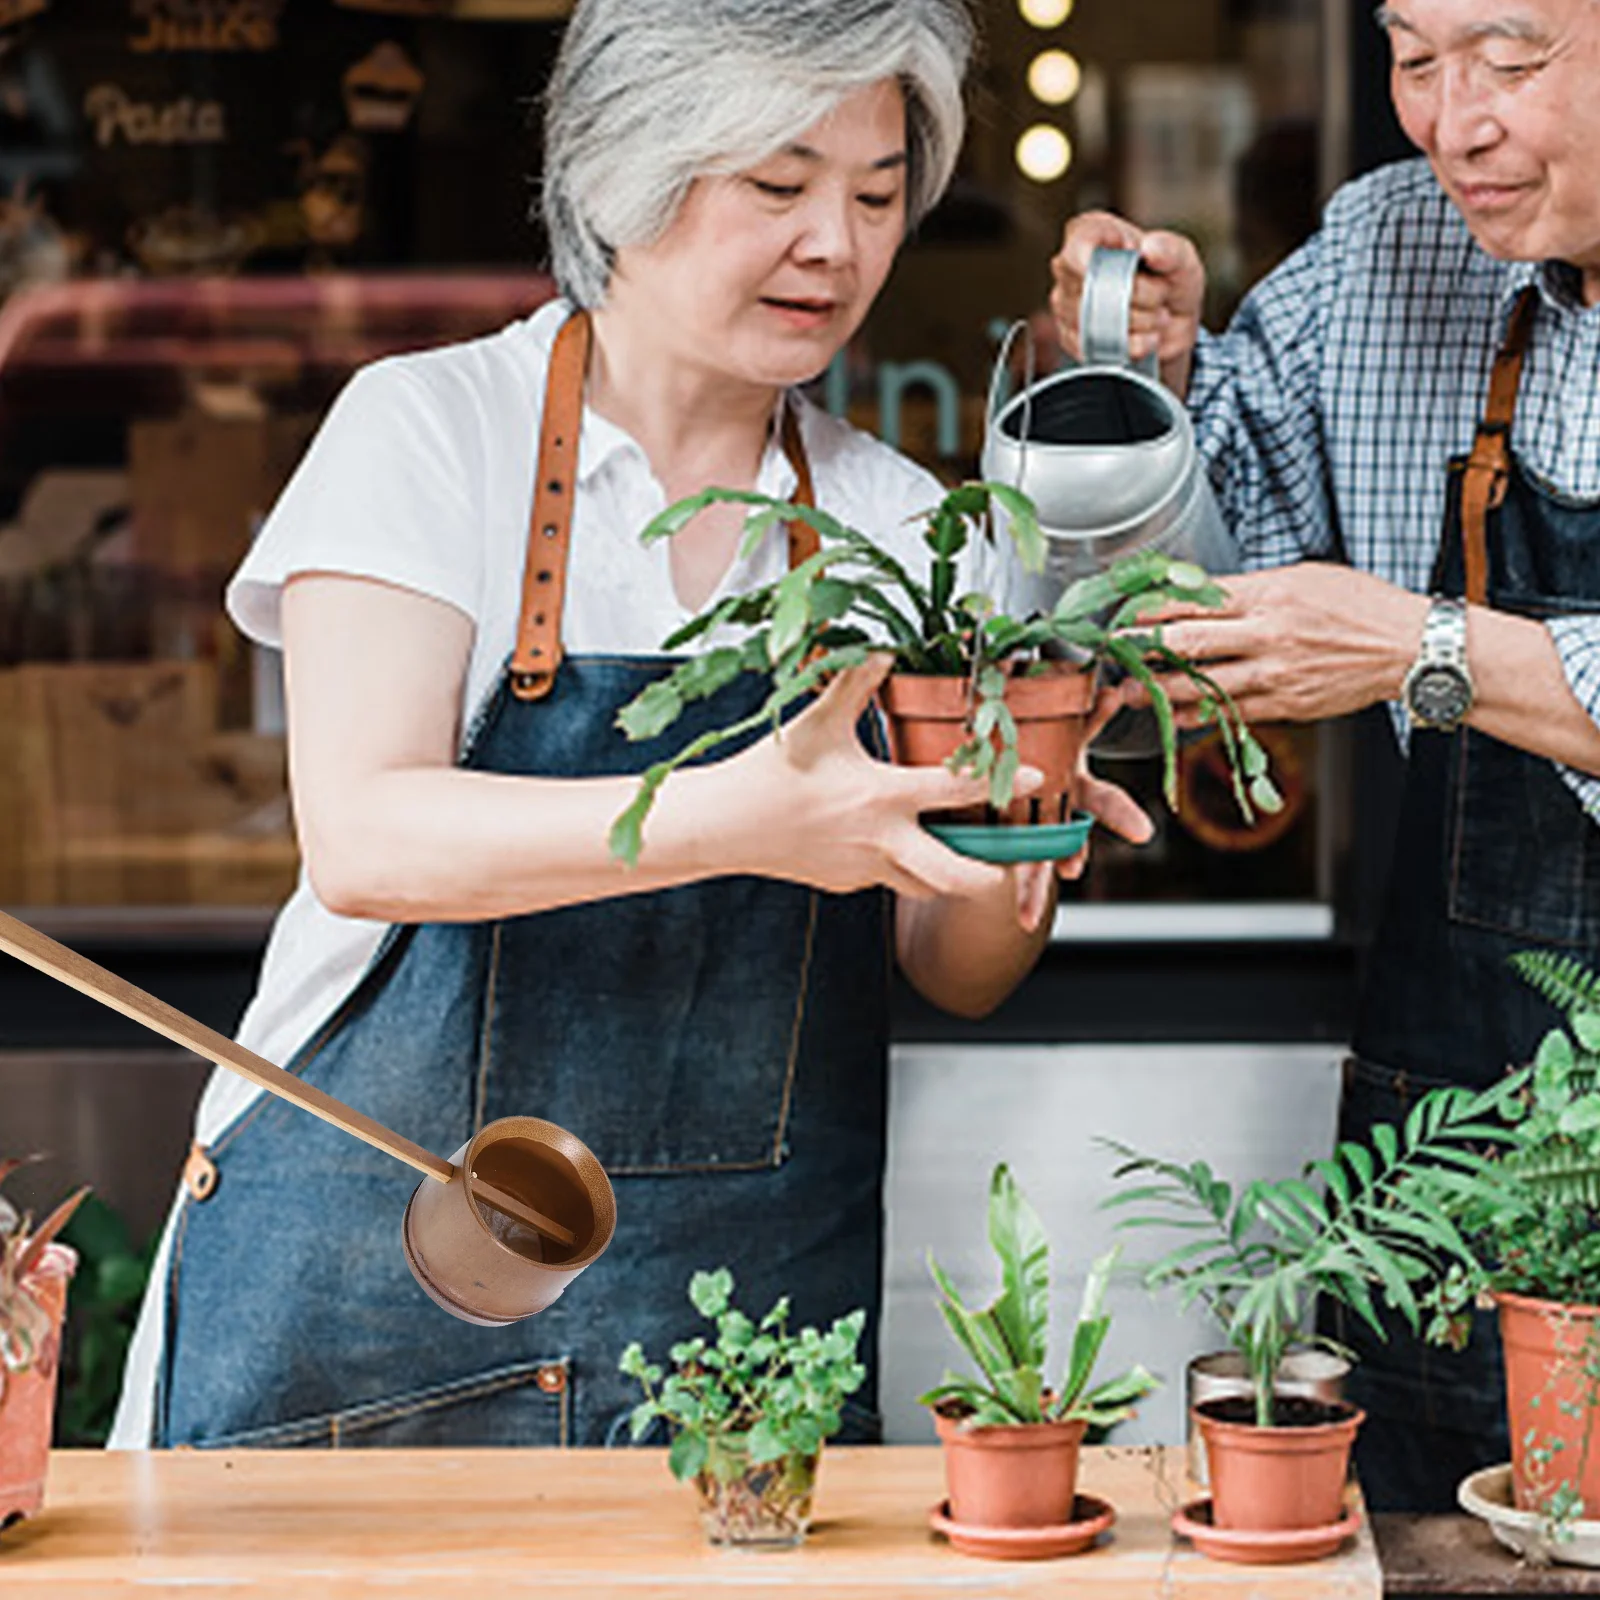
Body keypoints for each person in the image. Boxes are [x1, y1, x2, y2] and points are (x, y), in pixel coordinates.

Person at [110, 0, 1148, 1451]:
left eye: (876, 196)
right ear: (619, 175)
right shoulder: (429, 432)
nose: (836, 247)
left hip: (735, 1360)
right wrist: (749, 818)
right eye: (779, 186)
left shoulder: (898, 526)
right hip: (371, 1330)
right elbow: (367, 835)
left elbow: (954, 968)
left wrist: (1014, 831)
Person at [1050, 0, 1600, 1512]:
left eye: (1510, 59)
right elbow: (1196, 587)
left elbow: (1394, 643)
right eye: (1415, 57)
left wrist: (1430, 650)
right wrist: (1146, 374)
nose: (1453, 123)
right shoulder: (1388, 250)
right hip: (1449, 1157)